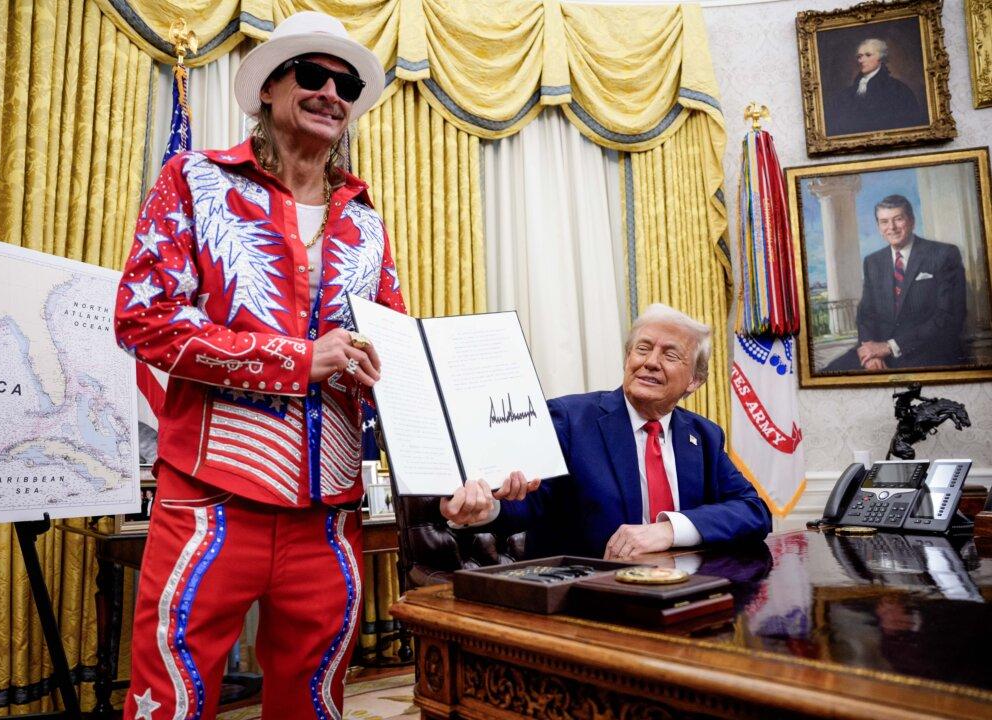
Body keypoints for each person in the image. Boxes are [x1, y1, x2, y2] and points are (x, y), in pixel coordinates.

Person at [113, 12, 405, 719]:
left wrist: (454, 459)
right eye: (312, 74)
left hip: (329, 512)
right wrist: (299, 358)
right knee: (171, 703)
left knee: (316, 703)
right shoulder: (195, 180)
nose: (332, 91)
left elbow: (393, 349)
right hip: (210, 501)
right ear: (268, 89)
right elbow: (143, 318)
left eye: (348, 83)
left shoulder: (367, 221)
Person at [440, 303, 772, 559]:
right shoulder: (571, 419)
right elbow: (530, 499)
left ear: (695, 381)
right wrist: (486, 508)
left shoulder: (703, 436)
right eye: (642, 349)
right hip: (587, 603)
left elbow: (754, 511)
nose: (650, 362)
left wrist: (669, 530)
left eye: (670, 354)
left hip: (680, 596)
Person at [824, 195, 966, 372]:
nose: (891, 228)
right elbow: (866, 314)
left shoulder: (943, 254)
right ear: (878, 227)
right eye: (884, 222)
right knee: (827, 374)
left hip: (926, 351)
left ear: (912, 221)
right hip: (879, 352)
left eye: (898, 219)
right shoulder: (873, 262)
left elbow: (948, 317)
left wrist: (889, 347)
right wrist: (870, 353)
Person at [825, 38, 927, 136]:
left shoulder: (898, 90)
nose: (861, 60)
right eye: (859, 56)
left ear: (881, 58)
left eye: (868, 55)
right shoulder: (847, 94)